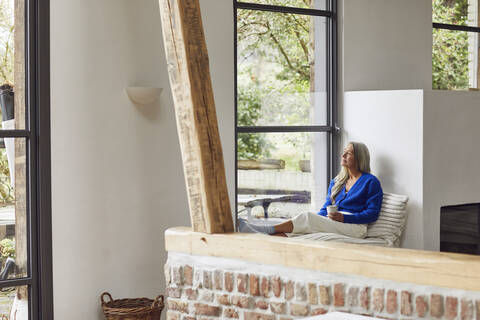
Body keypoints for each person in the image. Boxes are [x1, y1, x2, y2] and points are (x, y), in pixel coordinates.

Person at [239, 142, 383, 238]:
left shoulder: (371, 182)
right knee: (299, 231)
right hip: (334, 222)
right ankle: (259, 236)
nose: (343, 155)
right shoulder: (337, 181)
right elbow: (326, 207)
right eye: (344, 152)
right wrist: (320, 218)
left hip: (355, 227)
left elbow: (372, 214)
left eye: (349, 153)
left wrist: (344, 217)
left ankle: (265, 229)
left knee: (307, 218)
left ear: (359, 158)